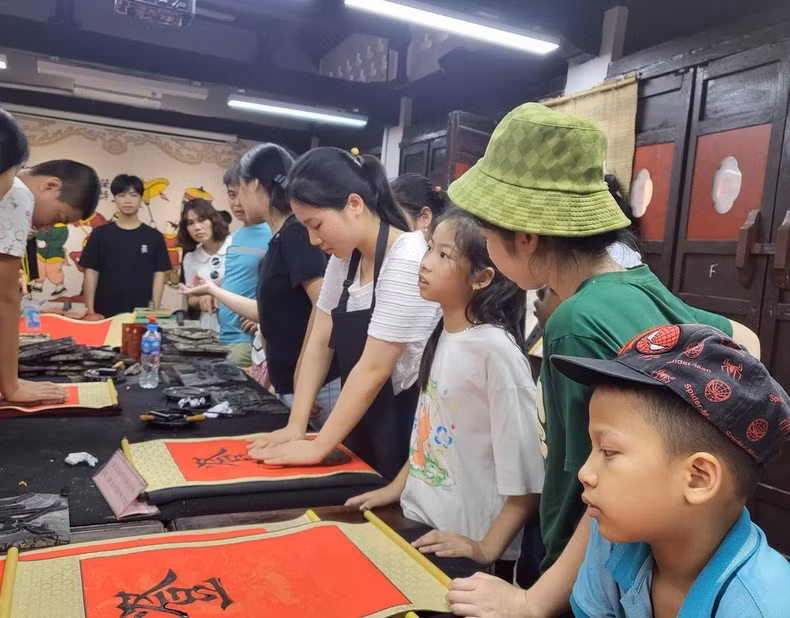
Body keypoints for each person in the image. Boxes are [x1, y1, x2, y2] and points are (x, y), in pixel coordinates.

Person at [442, 103, 760, 616]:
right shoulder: (641, 284)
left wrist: (533, 600)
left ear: (525, 238)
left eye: (486, 232)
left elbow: (588, 491)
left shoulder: (575, 321)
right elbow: (743, 339)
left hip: (590, 567)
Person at [346, 208, 544, 566]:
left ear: (481, 278)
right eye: (429, 248)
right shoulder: (443, 333)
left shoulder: (495, 351)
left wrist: (485, 548)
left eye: (443, 254)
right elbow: (430, 433)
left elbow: (527, 478)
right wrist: (395, 489)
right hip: (420, 521)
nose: (425, 263)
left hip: (465, 543)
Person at [552, 324, 790, 616]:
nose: (585, 473)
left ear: (698, 478)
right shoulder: (613, 541)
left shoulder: (763, 606)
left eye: (609, 452)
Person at [246, 147, 442, 480]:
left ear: (354, 204)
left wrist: (319, 445)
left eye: (316, 224)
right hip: (364, 426)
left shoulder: (407, 257)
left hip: (408, 434)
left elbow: (373, 368)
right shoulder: (345, 260)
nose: (312, 238)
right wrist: (296, 425)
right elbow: (320, 339)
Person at [179, 144, 341, 418]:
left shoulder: (296, 233)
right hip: (293, 383)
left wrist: (305, 373)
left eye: (239, 190)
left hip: (313, 385)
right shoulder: (279, 237)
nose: (237, 201)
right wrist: (212, 290)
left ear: (254, 185)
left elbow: (325, 304)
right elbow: (266, 313)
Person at [1, 155, 101, 404]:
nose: (47, 228)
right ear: (51, 185)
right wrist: (11, 386)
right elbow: (6, 299)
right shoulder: (18, 193)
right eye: (59, 218)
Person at [82, 174, 172, 318]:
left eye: (133, 195)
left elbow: (158, 275)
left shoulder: (154, 236)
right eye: (122, 195)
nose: (128, 200)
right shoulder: (99, 235)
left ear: (141, 198)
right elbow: (91, 272)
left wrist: (154, 310)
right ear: (115, 199)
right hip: (104, 312)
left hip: (141, 313)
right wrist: (91, 311)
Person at [217, 164, 272, 367]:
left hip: (246, 339)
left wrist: (265, 318)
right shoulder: (236, 237)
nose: (237, 203)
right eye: (231, 195)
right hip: (224, 334)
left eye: (242, 194)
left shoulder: (272, 232)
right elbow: (238, 278)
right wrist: (211, 290)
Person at [179, 198, 231, 331]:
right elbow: (191, 299)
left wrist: (213, 292)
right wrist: (202, 299)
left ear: (213, 220)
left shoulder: (235, 245)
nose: (197, 227)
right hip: (209, 327)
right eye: (190, 223)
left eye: (202, 220)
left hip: (239, 326)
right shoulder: (190, 259)